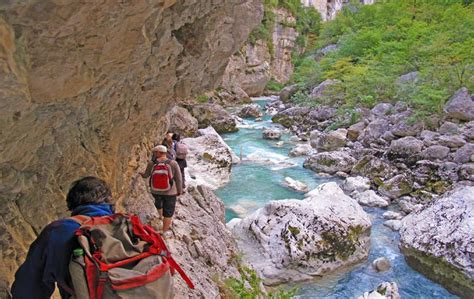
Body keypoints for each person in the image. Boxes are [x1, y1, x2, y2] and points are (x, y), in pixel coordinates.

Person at [11, 177, 114, 299]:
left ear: (72, 204)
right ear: (109, 203)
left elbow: (29, 288)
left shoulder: (59, 231)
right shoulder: (128, 226)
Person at [141, 145, 182, 237]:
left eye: (155, 152)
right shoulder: (173, 163)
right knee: (168, 211)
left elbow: (146, 175)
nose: (154, 154)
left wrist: (140, 173)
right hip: (170, 192)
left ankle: (160, 216)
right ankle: (164, 231)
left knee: (158, 203)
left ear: (158, 153)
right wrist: (179, 190)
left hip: (155, 190)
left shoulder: (152, 163)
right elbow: (178, 178)